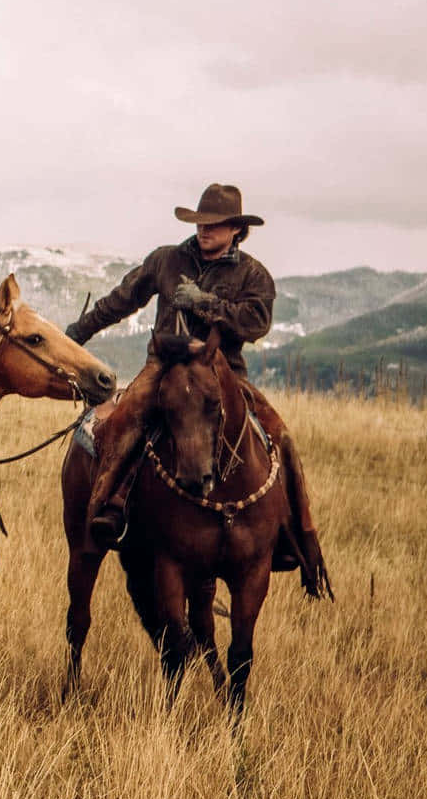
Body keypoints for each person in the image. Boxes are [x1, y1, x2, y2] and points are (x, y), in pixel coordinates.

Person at [66, 183, 326, 593]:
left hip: (226, 374)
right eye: (201, 223)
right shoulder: (166, 260)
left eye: (215, 225)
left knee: (279, 436)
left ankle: (297, 537)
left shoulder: (253, 274)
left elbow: (256, 322)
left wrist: (204, 302)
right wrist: (77, 334)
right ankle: (110, 507)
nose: (205, 231)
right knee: (125, 420)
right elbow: (121, 300)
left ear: (236, 230)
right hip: (164, 367)